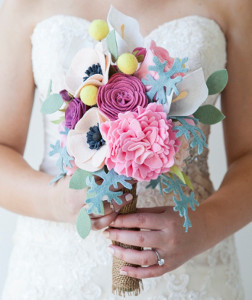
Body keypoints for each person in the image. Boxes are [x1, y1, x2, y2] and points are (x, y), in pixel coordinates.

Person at [0, 0, 251, 299]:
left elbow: (247, 154)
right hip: (55, 269)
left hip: (193, 268)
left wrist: (205, 227)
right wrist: (56, 201)